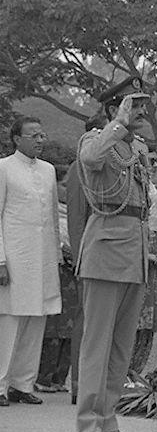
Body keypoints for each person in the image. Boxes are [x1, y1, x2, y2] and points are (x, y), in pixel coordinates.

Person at [75, 76, 151, 432]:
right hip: (105, 250)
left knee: (121, 346)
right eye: (133, 105)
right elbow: (91, 160)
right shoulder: (96, 139)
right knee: (98, 343)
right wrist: (117, 123)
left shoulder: (137, 146)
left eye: (142, 105)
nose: (141, 111)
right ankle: (87, 423)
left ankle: (107, 418)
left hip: (134, 251)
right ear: (113, 108)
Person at [0, 118, 61, 407]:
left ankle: (22, 384)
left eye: (42, 135)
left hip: (43, 256)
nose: (40, 140)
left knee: (37, 318)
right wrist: (0, 260)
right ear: (17, 139)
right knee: (9, 320)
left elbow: (53, 217)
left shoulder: (48, 170)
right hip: (15, 256)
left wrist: (56, 255)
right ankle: (0, 384)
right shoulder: (4, 167)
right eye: (33, 135)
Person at [68, 114, 107, 405]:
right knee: (87, 319)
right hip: (90, 254)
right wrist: (80, 257)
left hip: (109, 254)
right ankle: (80, 384)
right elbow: (77, 217)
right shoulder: (80, 167)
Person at [35, 164, 77, 394]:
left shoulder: (76, 211)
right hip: (56, 272)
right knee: (53, 326)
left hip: (75, 274)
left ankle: (60, 379)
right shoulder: (48, 212)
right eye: (63, 185)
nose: (67, 189)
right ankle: (43, 377)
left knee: (72, 327)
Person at [128, 147, 157, 379]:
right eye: (150, 161)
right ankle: (123, 372)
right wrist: (146, 254)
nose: (154, 166)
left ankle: (136, 371)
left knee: (149, 321)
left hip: (154, 260)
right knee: (133, 317)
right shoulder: (131, 188)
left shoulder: (155, 189)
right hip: (136, 260)